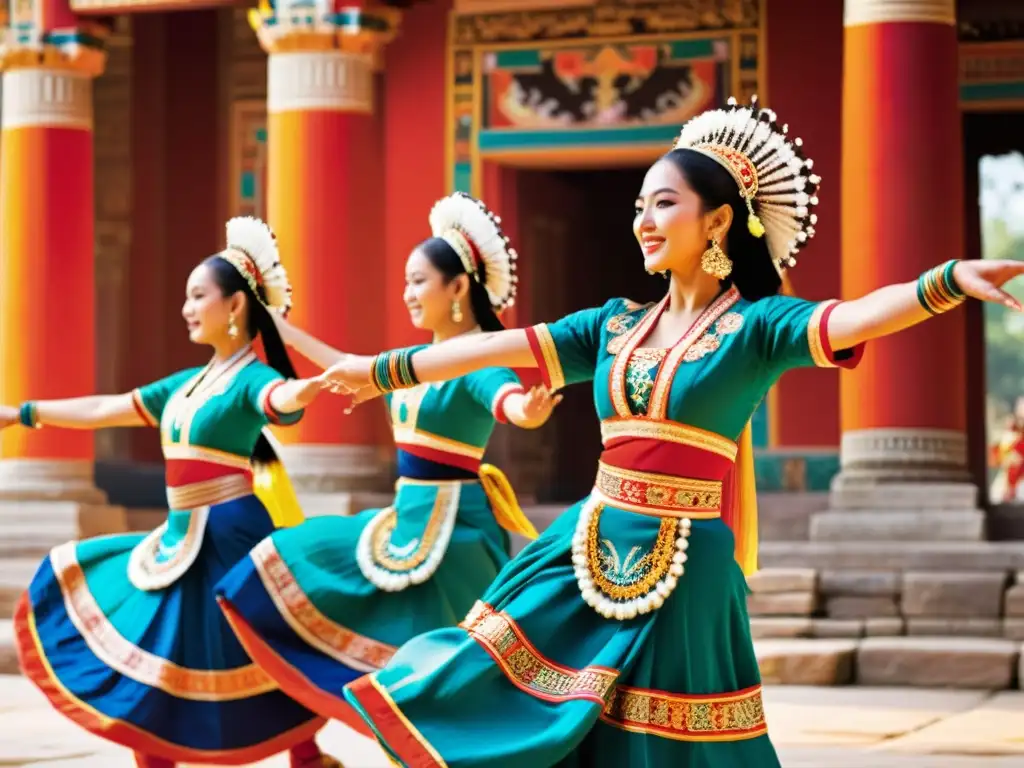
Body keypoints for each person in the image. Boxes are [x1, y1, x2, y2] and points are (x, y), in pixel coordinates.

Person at [316, 96, 1024, 768]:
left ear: (717, 221)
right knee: (485, 685)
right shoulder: (613, 323)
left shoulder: (756, 327)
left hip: (688, 565)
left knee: (672, 745)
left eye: (663, 203)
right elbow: (490, 348)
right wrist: (377, 371)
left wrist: (950, 279)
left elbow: (855, 317)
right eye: (639, 205)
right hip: (583, 545)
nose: (644, 220)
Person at [0, 217, 342, 767]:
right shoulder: (182, 386)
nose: (186, 307)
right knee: (157, 660)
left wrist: (313, 383)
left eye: (197, 295)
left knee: (261, 650)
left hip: (232, 535)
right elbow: (104, 408)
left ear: (234, 306)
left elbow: (283, 400)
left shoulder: (250, 379)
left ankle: (307, 754)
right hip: (180, 536)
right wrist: (23, 414)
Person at [215, 192, 560, 736]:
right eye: (406, 282)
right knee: (290, 558)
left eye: (418, 281)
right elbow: (348, 368)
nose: (408, 294)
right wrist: (275, 325)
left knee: (445, 666)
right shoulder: (414, 363)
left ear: (459, 286)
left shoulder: (480, 355)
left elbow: (507, 400)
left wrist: (529, 411)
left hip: (456, 533)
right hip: (407, 518)